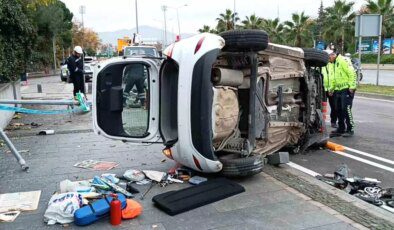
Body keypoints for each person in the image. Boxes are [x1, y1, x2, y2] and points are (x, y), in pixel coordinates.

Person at [328, 52, 357, 137]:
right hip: (338, 89)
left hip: (346, 89)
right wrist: (331, 89)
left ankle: (350, 129)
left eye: (328, 57)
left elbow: (352, 73)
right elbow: (333, 77)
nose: (328, 60)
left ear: (333, 55)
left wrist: (352, 86)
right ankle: (341, 128)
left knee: (346, 109)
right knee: (338, 109)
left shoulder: (343, 60)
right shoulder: (333, 63)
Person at [322, 50, 337, 128]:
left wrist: (332, 89)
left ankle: (333, 122)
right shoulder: (320, 65)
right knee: (321, 106)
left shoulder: (334, 65)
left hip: (332, 89)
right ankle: (321, 122)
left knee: (334, 106)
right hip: (322, 89)